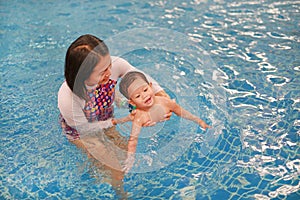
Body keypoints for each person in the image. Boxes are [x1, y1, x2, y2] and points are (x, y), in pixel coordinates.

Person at [57, 34, 170, 198]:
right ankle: (120, 193)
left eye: (109, 65)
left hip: (105, 118)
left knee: (125, 154)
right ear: (81, 75)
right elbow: (88, 131)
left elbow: (137, 76)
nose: (109, 72)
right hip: (80, 131)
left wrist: (161, 97)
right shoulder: (68, 98)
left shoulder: (111, 66)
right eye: (103, 71)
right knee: (115, 168)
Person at [118, 71, 211, 172]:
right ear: (132, 100)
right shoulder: (140, 117)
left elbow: (181, 112)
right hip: (138, 112)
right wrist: (130, 159)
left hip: (163, 120)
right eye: (137, 96)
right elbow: (133, 140)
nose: (144, 96)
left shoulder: (165, 102)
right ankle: (123, 103)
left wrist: (199, 121)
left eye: (145, 90)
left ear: (150, 86)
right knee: (127, 113)